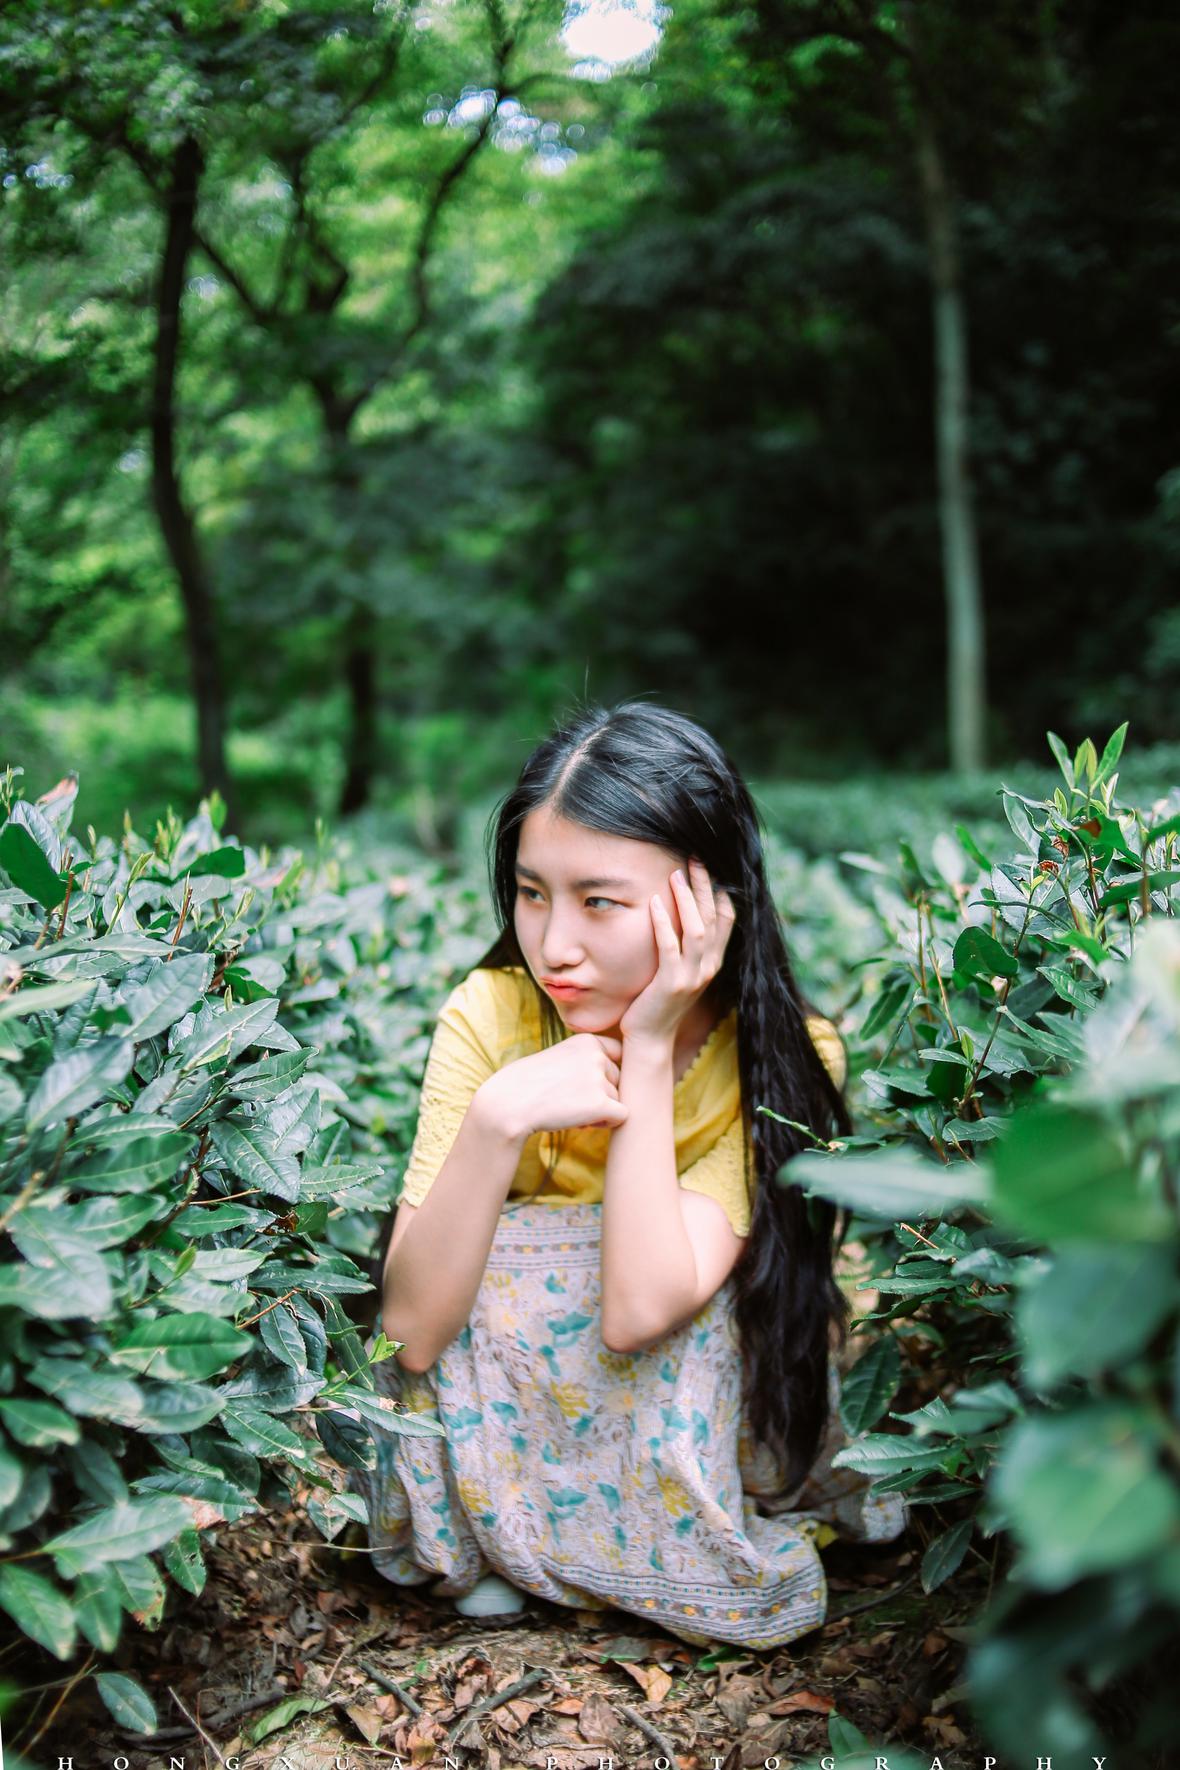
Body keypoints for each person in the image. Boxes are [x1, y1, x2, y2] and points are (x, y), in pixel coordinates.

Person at [349, 698, 906, 1649]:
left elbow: (640, 1311)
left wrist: (647, 1049)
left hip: (667, 1408)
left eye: (599, 901)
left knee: (696, 1303)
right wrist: (497, 1122)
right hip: (504, 1415)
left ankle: (587, 1553)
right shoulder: (491, 1014)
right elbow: (410, 1333)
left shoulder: (785, 1056)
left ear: (709, 904)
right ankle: (520, 1540)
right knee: (486, 1267)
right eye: (531, 893)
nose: (554, 944)